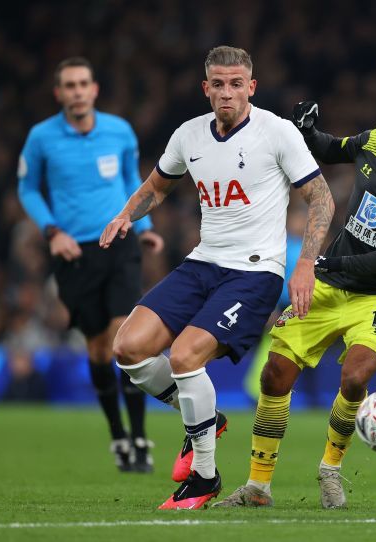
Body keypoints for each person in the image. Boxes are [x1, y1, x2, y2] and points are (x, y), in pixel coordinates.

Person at [101, 45, 334, 510]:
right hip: (203, 262)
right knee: (127, 348)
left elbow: (322, 199)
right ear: (205, 88)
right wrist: (127, 214)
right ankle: (205, 422)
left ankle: (204, 478)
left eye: (236, 84)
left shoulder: (277, 132)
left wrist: (305, 262)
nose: (227, 92)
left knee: (186, 355)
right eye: (218, 84)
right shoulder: (189, 136)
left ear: (251, 87)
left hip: (254, 272)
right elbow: (157, 186)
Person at [217, 82, 376, 509]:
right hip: (329, 285)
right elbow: (328, 149)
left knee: (356, 376)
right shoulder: (375, 141)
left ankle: (330, 471)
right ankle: (258, 487)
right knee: (274, 375)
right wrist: (306, 130)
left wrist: (335, 264)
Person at [18, 57, 164, 473]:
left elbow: (129, 182)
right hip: (74, 253)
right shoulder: (41, 138)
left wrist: (146, 224)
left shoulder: (119, 131)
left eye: (84, 83)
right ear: (59, 93)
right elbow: (27, 189)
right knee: (98, 347)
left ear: (94, 89)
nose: (77, 91)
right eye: (69, 85)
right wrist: (52, 232)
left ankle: (139, 438)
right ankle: (117, 435)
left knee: (124, 339)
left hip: (119, 242)